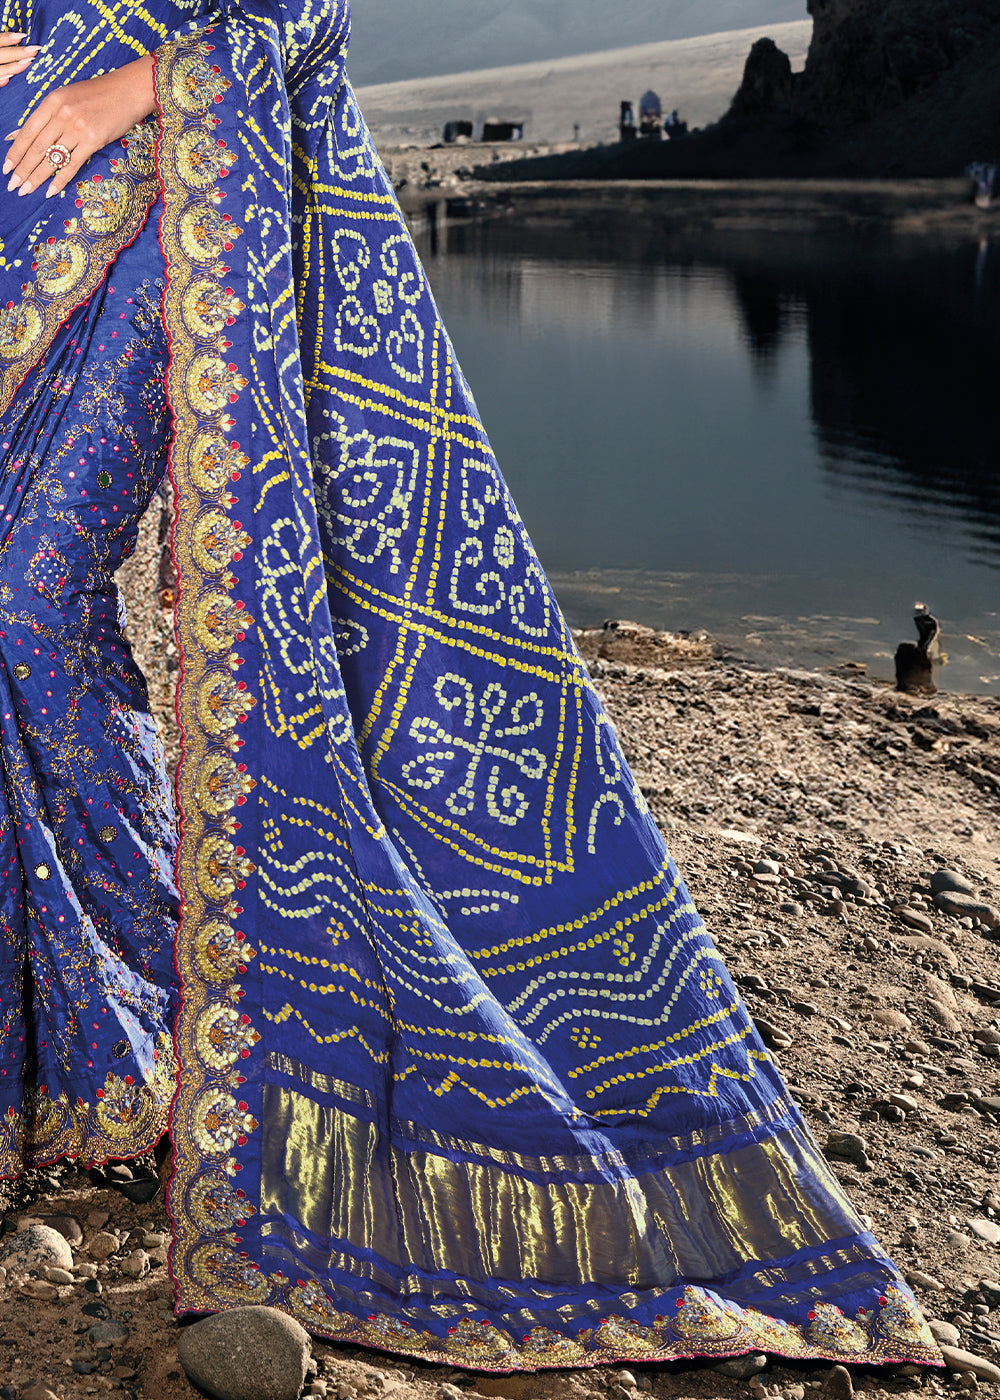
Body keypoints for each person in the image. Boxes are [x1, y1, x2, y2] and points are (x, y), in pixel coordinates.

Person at [0, 0, 940, 1375]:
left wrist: (140, 82)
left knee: (28, 604)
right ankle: (114, 1045)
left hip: (177, 192)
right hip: (29, 188)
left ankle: (192, 1017)